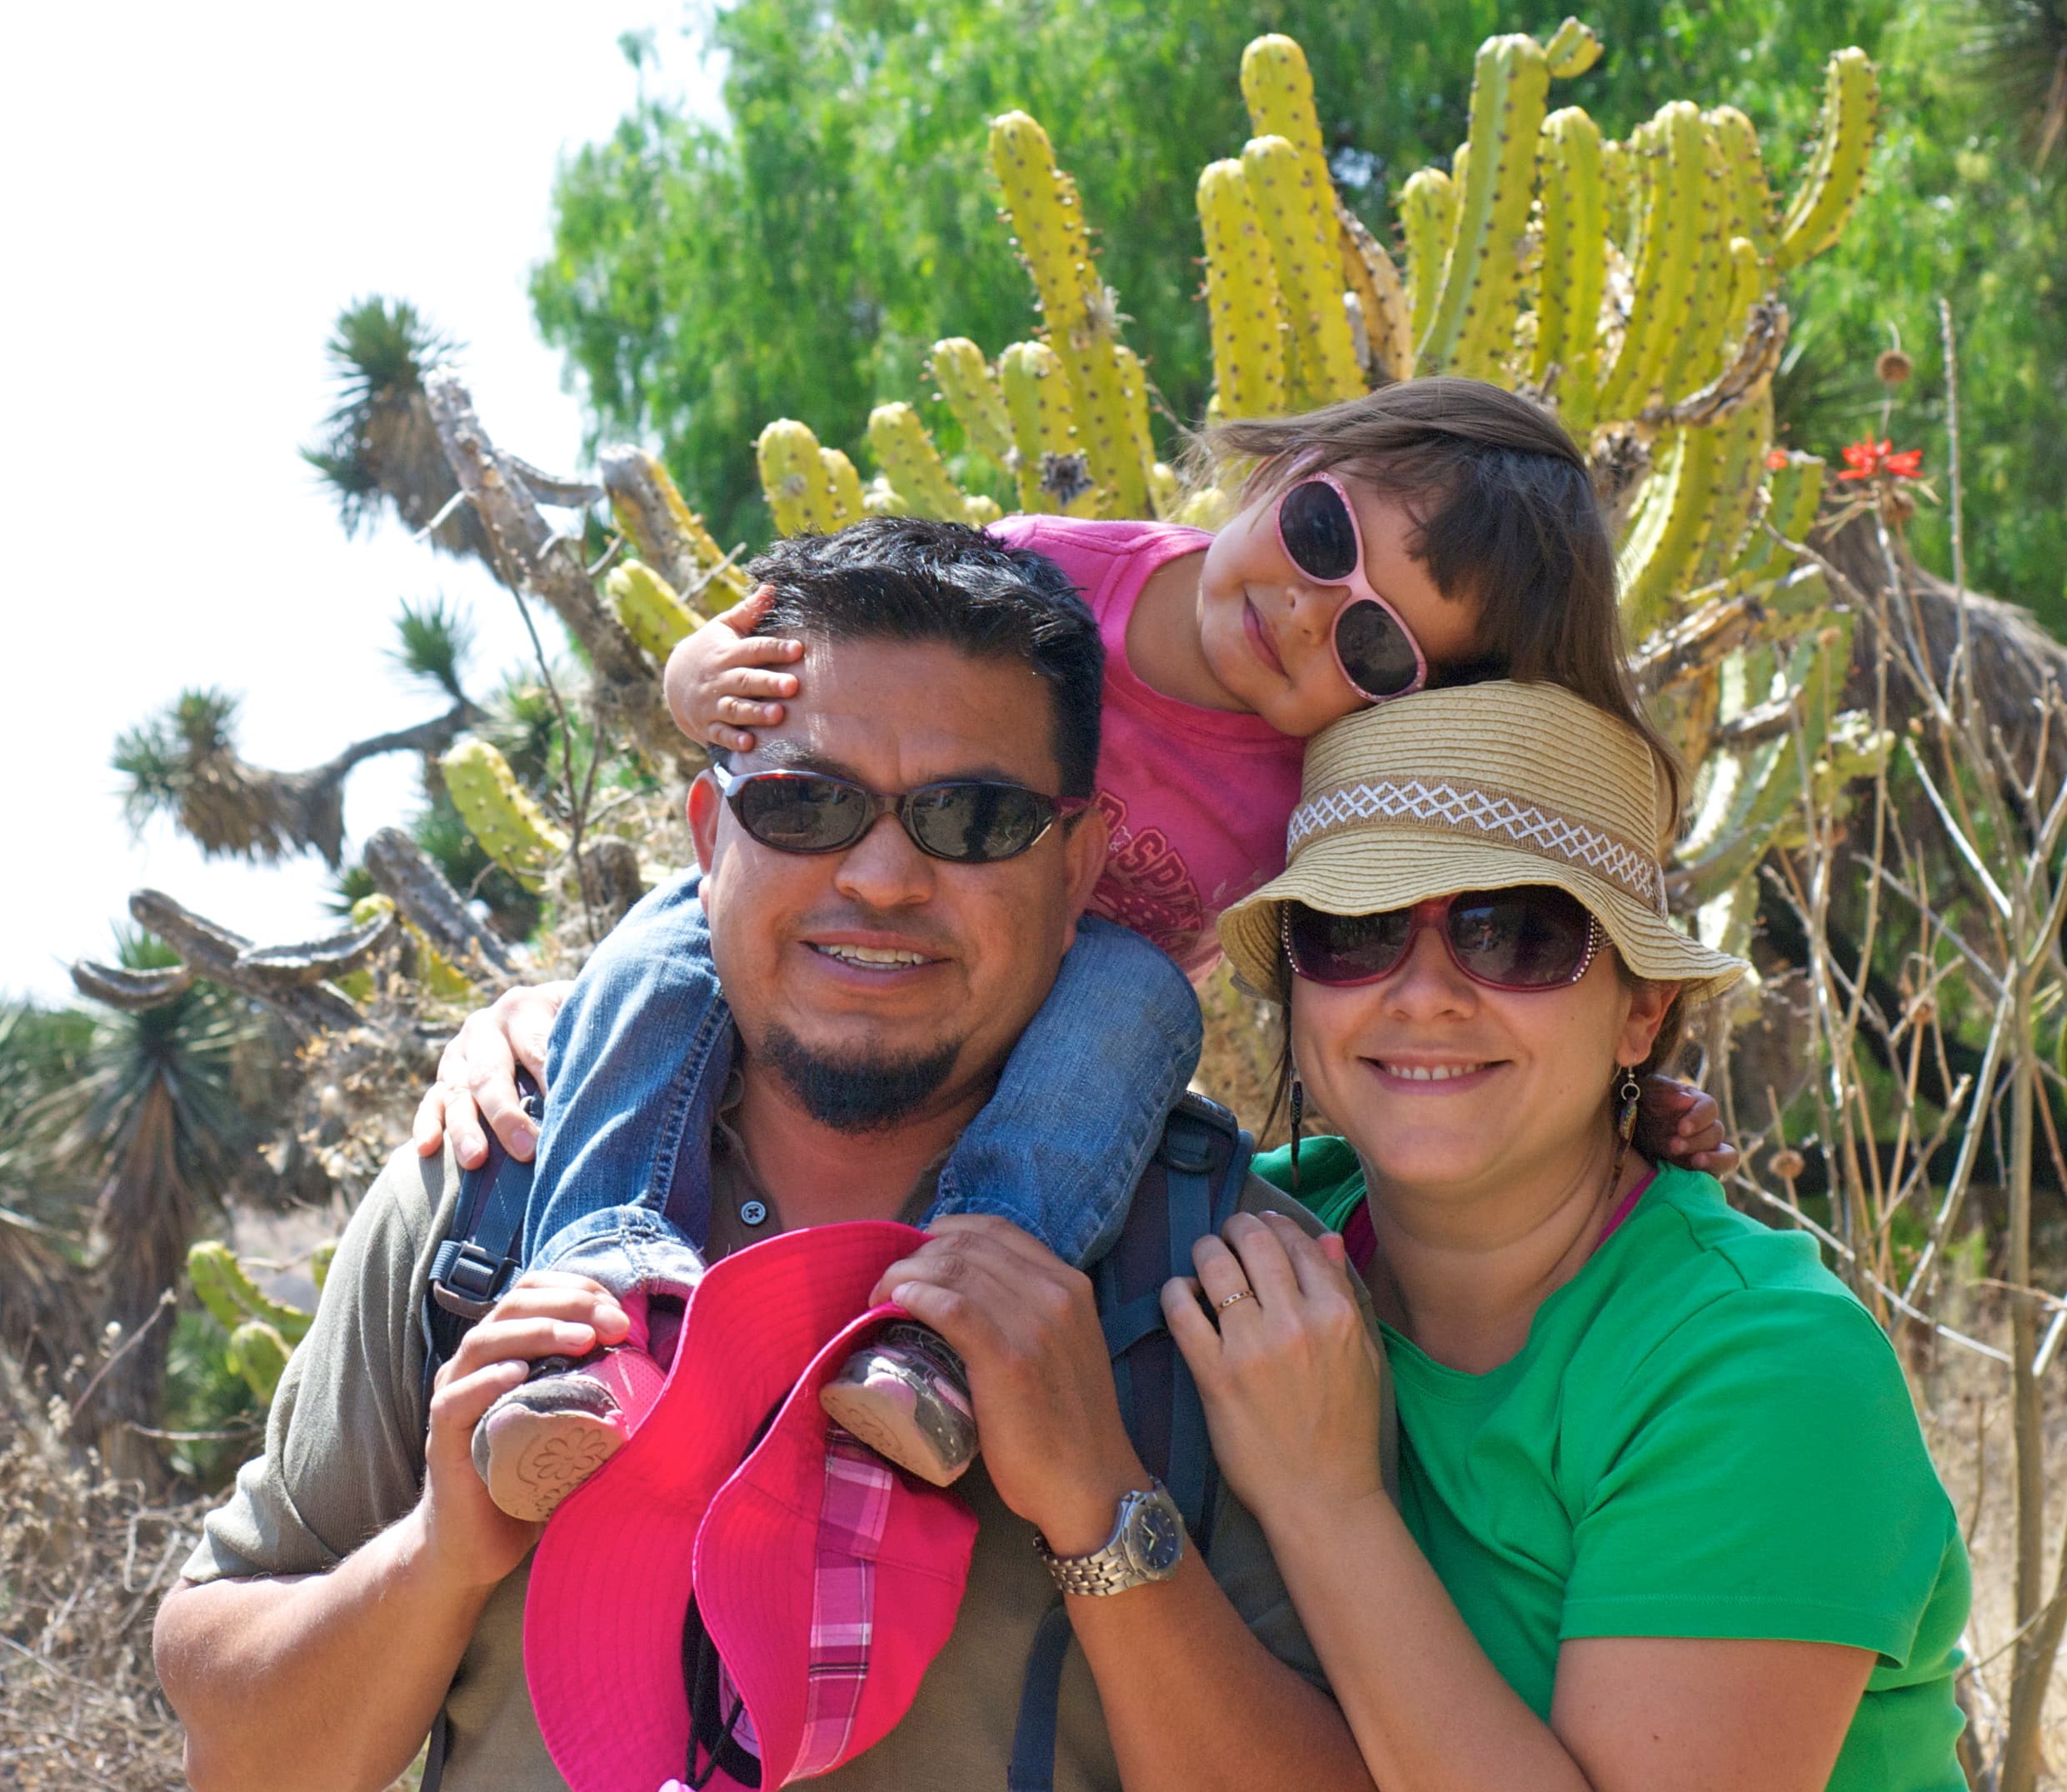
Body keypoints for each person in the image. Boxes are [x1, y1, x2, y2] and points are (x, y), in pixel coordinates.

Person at [152, 517, 1383, 1792]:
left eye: (971, 816)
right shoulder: (488, 1199)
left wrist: (1100, 1509)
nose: (885, 876)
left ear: (1079, 867)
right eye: (805, 803)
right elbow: (237, 1752)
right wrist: (437, 1554)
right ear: (707, 837)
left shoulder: (1222, 1283)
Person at [447, 379, 1735, 1512]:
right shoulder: (1052, 566)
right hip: (857, 887)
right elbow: (784, 665)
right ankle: (583, 1316)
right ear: (1286, 469)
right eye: (1322, 534)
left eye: (1374, 644)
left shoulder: (1327, 778)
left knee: (1137, 996)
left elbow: (1455, 888)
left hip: (1072, 1003)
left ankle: (949, 1327)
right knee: (662, 953)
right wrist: (691, 681)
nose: (1306, 613)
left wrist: (1602, 1098)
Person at [1165, 678, 1972, 1791]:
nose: (1423, 995)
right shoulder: (1246, 1227)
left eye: (1515, 934)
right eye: (1355, 929)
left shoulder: (1762, 1370)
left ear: (1640, 1010)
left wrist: (1324, 1500)